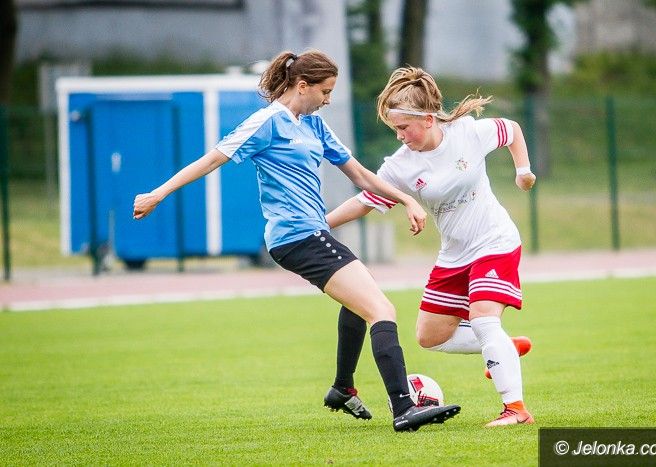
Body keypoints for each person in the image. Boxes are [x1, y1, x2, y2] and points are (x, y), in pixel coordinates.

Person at [132, 51, 460, 432]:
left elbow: (358, 174)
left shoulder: (314, 125)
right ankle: (403, 408)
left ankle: (342, 388)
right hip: (295, 237)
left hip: (313, 233)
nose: (329, 99)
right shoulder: (266, 122)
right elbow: (210, 161)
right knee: (381, 309)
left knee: (360, 302)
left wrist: (404, 199)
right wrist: (158, 194)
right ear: (302, 86)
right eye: (325, 91)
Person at [325, 66, 536, 427]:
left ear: (427, 119)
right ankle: (501, 346)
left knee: (484, 318)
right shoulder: (400, 166)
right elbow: (364, 201)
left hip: (495, 240)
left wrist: (523, 171)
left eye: (404, 127)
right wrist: (319, 224)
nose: (399, 135)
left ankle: (515, 410)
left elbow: (511, 130)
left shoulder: (467, 133)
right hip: (454, 254)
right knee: (429, 336)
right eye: (394, 129)